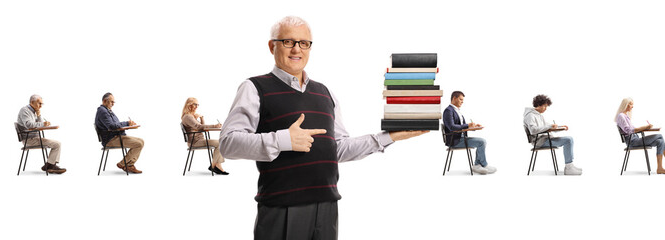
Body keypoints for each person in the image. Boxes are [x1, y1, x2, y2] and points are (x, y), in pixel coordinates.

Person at [219, 16, 427, 240]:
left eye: (304, 43)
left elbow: (336, 150)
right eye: (288, 41)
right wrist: (283, 140)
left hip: (327, 207)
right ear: (272, 46)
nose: (296, 49)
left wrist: (388, 137)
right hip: (282, 209)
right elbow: (228, 143)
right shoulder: (254, 87)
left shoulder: (324, 92)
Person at [615, 98, 665, 174]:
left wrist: (646, 128)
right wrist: (645, 127)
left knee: (660, 141)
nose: (632, 106)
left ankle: (660, 168)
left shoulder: (626, 116)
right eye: (631, 104)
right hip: (632, 142)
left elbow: (633, 129)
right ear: (626, 104)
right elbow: (629, 131)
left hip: (635, 139)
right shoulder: (621, 116)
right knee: (660, 135)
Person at [523, 94, 582, 175]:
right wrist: (549, 126)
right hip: (540, 141)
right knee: (568, 140)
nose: (546, 109)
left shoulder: (539, 115)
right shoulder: (530, 115)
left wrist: (561, 127)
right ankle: (569, 167)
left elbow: (547, 127)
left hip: (545, 139)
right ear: (539, 105)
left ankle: (570, 165)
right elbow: (533, 130)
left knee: (569, 139)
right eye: (544, 106)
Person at [442, 91, 496, 174]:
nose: (462, 102)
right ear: (454, 98)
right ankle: (481, 165)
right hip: (454, 140)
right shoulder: (448, 111)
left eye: (462, 100)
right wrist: (467, 125)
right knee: (482, 142)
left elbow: (462, 127)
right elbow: (452, 127)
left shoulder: (457, 111)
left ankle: (477, 165)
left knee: (481, 141)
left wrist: (473, 127)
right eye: (460, 99)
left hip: (461, 138)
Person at [95, 92, 144, 174]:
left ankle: (128, 165)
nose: (113, 104)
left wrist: (128, 125)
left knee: (141, 141)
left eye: (114, 102)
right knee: (138, 144)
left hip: (116, 136)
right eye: (111, 102)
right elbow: (112, 126)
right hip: (110, 140)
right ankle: (124, 164)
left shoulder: (108, 111)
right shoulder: (103, 111)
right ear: (104, 101)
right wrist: (127, 123)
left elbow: (116, 124)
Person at [16, 94, 66, 174]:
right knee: (57, 144)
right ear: (32, 102)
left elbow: (39, 123)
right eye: (39, 103)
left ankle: (49, 165)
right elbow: (29, 124)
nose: (41, 106)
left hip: (34, 138)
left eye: (42, 104)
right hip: (29, 140)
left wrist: (39, 115)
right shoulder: (24, 110)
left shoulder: (34, 111)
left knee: (57, 144)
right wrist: (43, 124)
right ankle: (50, 166)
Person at [181, 97, 228, 175]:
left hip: (199, 140)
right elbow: (199, 127)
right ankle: (215, 166)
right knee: (220, 143)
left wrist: (201, 117)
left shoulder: (191, 116)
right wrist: (215, 126)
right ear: (189, 105)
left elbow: (202, 126)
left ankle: (215, 165)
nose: (197, 106)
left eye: (197, 105)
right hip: (195, 142)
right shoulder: (188, 117)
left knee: (220, 142)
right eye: (195, 104)